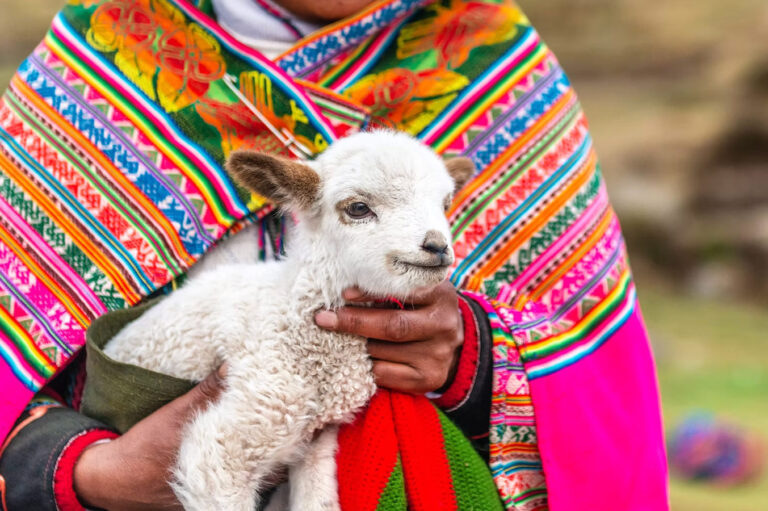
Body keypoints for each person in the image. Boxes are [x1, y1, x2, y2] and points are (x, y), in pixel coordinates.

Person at [0, 0, 669, 509]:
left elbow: (596, 390)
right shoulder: (101, 67)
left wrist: (469, 357)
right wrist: (85, 469)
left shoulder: (499, 77)